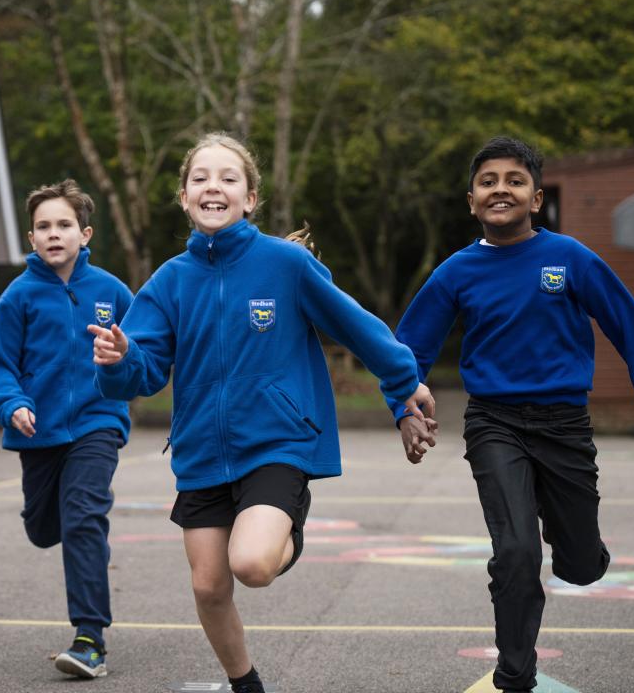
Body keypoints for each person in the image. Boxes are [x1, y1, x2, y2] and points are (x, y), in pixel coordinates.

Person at [89, 134, 435, 693]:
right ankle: (246, 684)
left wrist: (403, 388)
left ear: (250, 198)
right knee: (209, 588)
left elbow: (357, 327)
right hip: (202, 452)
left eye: (228, 178)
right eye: (200, 178)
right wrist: (118, 358)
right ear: (184, 197)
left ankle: (286, 525)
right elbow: (142, 374)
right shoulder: (170, 281)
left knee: (251, 564)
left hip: (278, 443)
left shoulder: (287, 264)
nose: (213, 187)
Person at [384, 136, 634, 693]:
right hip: (494, 423)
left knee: (581, 566)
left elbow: (630, 327)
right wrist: (403, 405)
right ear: (472, 201)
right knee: (517, 552)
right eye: (488, 182)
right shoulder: (457, 271)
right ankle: (515, 675)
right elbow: (407, 349)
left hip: (564, 425)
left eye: (514, 180)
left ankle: (567, 530)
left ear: (537, 198)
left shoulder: (571, 258)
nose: (501, 189)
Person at [0, 179, 133, 679]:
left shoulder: (111, 291)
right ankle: (63, 527)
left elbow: (145, 345)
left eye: (64, 225)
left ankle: (90, 639)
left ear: (85, 234)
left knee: (83, 515)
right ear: (31, 237)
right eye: (43, 226)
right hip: (38, 431)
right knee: (44, 529)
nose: (54, 233)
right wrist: (12, 404)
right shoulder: (19, 296)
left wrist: (127, 358)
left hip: (98, 421)